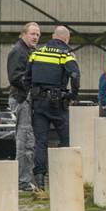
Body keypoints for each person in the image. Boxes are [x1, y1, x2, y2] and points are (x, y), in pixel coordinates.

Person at [25, 25, 81, 188]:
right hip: (58, 104)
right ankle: (64, 177)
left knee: (40, 141)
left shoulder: (37, 52)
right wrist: (73, 95)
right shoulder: (66, 55)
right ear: (67, 39)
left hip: (39, 104)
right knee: (66, 138)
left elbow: (26, 77)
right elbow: (75, 76)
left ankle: (40, 180)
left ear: (52, 36)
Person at [7, 22, 41, 191]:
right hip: (22, 99)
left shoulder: (30, 51)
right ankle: (23, 181)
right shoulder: (18, 51)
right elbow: (14, 77)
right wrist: (32, 87)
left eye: (37, 35)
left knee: (28, 140)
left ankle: (25, 178)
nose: (35, 37)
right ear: (24, 34)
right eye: (32, 34)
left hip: (27, 98)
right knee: (25, 140)